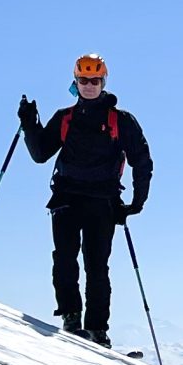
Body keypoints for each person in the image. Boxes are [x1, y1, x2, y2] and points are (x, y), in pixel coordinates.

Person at [18, 55, 152, 346]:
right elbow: (41, 154)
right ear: (75, 82)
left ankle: (97, 330)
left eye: (94, 80)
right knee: (64, 258)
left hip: (103, 201)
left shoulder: (121, 120)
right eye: (83, 80)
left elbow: (142, 160)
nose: (89, 85)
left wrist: (136, 203)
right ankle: (70, 317)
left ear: (103, 82)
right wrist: (30, 125)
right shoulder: (65, 118)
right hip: (66, 197)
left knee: (96, 266)